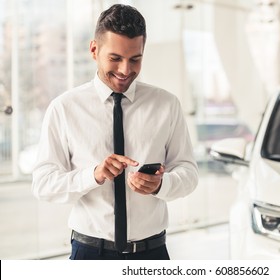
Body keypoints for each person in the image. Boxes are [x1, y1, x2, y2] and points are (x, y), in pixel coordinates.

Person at [32, 4, 198, 260]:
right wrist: (93, 175)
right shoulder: (64, 108)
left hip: (152, 253)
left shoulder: (167, 105)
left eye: (135, 59)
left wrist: (160, 185)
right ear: (94, 50)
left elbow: (188, 173)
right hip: (90, 253)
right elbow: (43, 183)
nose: (124, 70)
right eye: (115, 58)